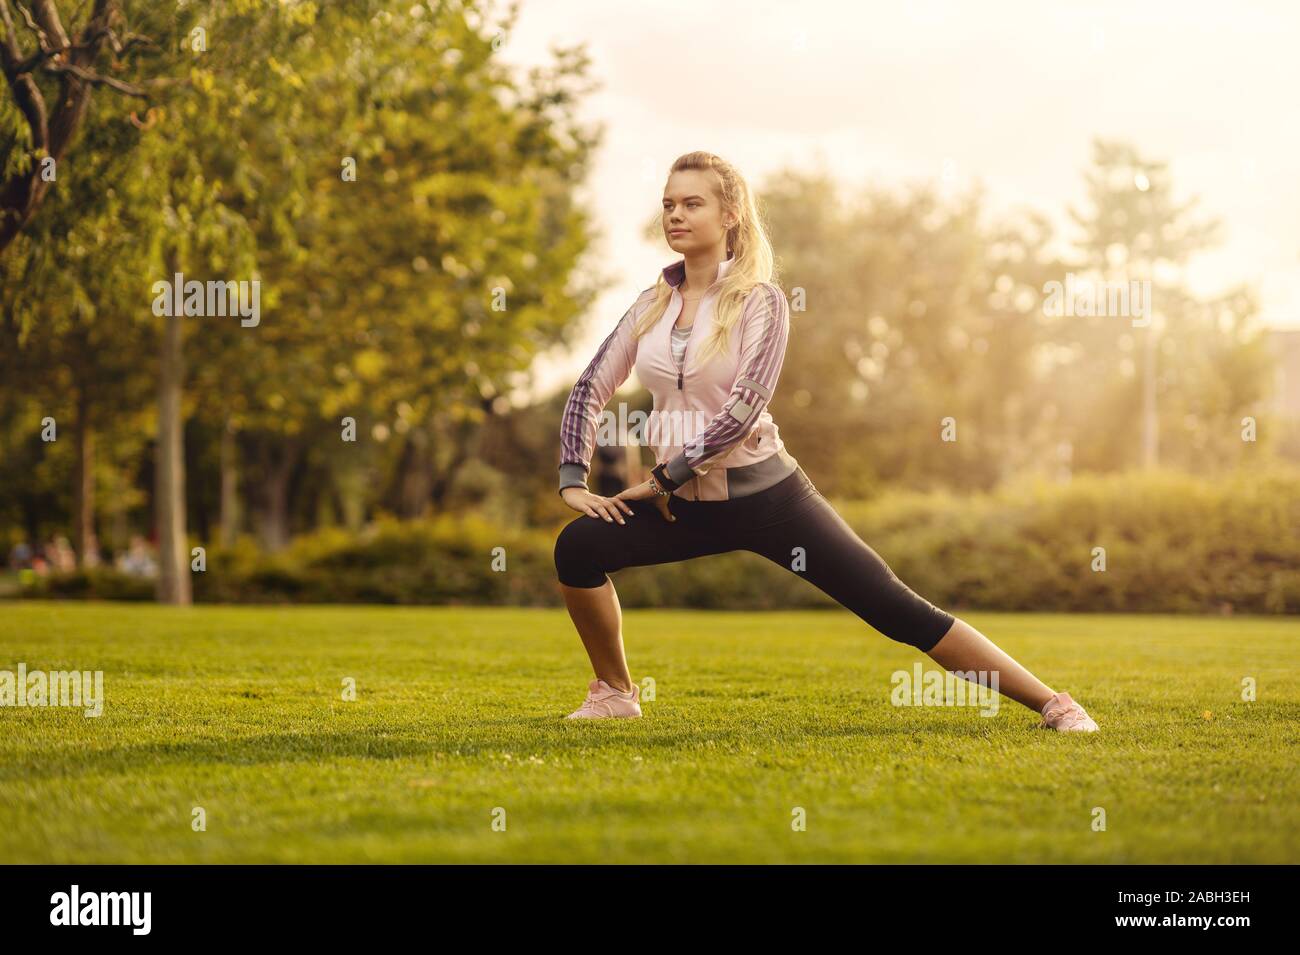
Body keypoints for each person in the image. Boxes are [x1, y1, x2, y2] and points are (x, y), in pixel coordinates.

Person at [553, 151, 1098, 733]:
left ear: (730, 213)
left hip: (767, 500)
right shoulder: (650, 306)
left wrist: (667, 475)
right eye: (668, 205)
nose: (675, 216)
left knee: (896, 610)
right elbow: (591, 385)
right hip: (679, 506)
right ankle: (615, 692)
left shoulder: (760, 302)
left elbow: (744, 407)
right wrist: (572, 478)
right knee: (579, 548)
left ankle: (1053, 704)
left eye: (692, 204)